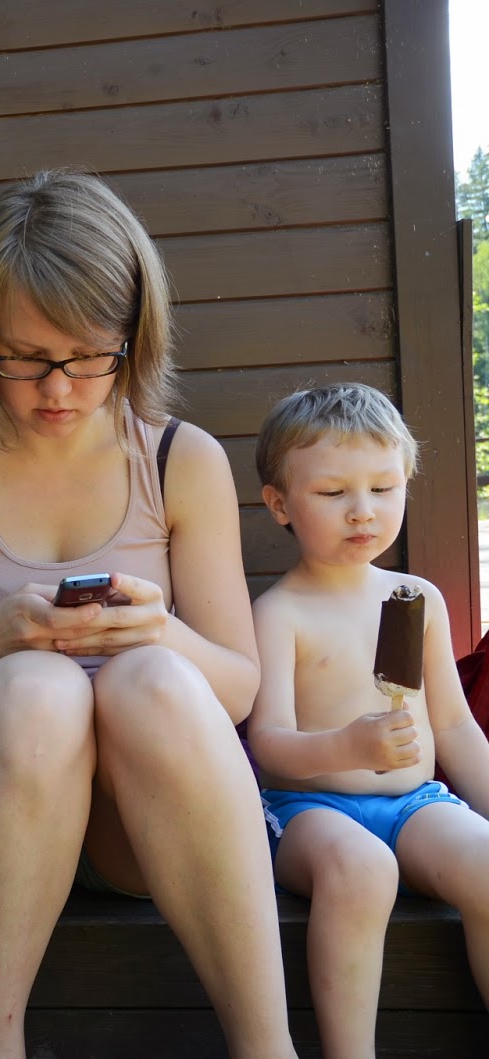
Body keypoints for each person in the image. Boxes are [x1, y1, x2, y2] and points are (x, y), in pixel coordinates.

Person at [0, 169, 297, 1057]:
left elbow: (238, 687)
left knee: (155, 679)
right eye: (24, 357)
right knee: (38, 687)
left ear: (133, 337)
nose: (58, 388)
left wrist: (160, 629)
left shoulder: (181, 459)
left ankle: (269, 1047)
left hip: (150, 821)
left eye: (89, 355)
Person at [249, 382, 489, 1056]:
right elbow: (267, 746)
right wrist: (347, 746)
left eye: (384, 488)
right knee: (362, 869)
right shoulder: (279, 614)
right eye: (333, 492)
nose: (363, 510)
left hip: (416, 803)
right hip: (306, 811)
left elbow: (454, 726)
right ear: (280, 504)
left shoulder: (415, 599)